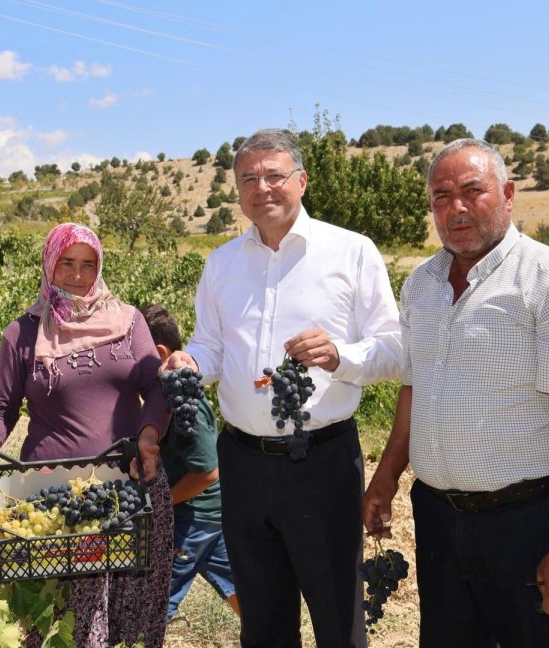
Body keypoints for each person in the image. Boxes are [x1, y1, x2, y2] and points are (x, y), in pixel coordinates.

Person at [363, 138, 549, 648]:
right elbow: (416, 387)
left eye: (473, 191)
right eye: (441, 195)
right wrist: (386, 476)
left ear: (508, 194)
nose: (456, 207)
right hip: (438, 519)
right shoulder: (421, 284)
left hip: (529, 525)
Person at [161, 128, 402, 648]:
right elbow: (212, 349)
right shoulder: (221, 262)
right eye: (249, 178)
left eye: (274, 175)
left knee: (338, 618)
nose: (262, 188)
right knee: (263, 621)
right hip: (242, 465)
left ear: (301, 181)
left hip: (321, 463)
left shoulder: (351, 252)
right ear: (237, 188)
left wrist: (342, 355)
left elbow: (396, 350)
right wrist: (188, 362)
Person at [0, 222, 173, 648]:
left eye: (88, 265)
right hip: (55, 503)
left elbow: (157, 387)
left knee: (130, 619)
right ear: (49, 264)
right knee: (63, 622)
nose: (77, 275)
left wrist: (150, 434)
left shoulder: (130, 323)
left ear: (100, 268)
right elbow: (1, 408)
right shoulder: (23, 333)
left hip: (132, 491)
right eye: (66, 263)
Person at [140, 303, 239, 622]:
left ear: (158, 352)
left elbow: (208, 473)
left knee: (154, 605)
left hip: (193, 520)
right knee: (244, 595)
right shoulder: (170, 393)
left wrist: (161, 504)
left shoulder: (185, 404)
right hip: (212, 516)